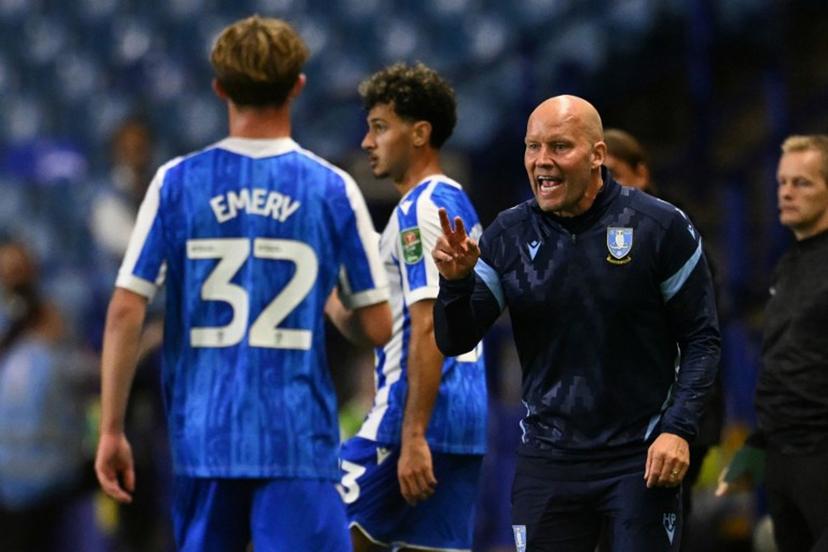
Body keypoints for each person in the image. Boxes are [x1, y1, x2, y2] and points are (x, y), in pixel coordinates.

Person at [94, 15, 392, 552]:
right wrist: (329, 304)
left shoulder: (176, 182)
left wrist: (111, 430)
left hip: (203, 438)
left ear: (219, 89)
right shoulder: (333, 188)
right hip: (296, 440)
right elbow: (377, 325)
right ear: (298, 86)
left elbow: (124, 310)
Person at [432, 95, 721, 552]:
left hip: (640, 457)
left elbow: (702, 340)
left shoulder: (659, 227)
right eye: (532, 147)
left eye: (559, 147)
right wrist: (454, 284)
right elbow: (455, 338)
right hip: (548, 460)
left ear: (597, 156)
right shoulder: (507, 234)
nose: (541, 161)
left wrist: (678, 428)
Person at [331, 62, 487, 552]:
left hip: (411, 417)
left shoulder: (424, 208)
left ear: (420, 134)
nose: (366, 142)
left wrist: (414, 433)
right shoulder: (448, 203)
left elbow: (427, 326)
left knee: (296, 527)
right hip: (462, 420)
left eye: (380, 127)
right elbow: (383, 329)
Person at [603, 127, 726, 551]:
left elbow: (700, 339)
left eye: (614, 173)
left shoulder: (673, 234)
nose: (605, 184)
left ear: (641, 173)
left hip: (671, 428)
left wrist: (685, 426)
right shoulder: (594, 235)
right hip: (616, 431)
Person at [717, 134, 828, 552]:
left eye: (802, 183)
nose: (786, 191)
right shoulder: (786, 266)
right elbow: (784, 362)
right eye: (782, 182)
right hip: (783, 461)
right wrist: (755, 449)